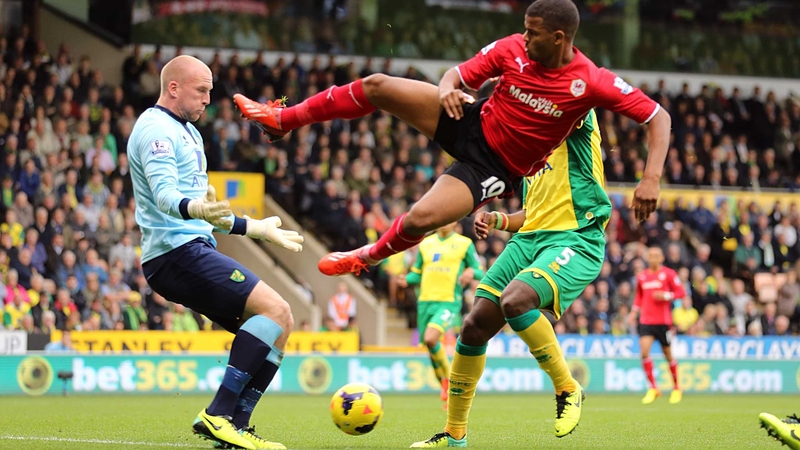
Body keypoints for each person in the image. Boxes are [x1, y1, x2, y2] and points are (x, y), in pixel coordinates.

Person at [234, 0, 669, 278]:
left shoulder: (590, 81)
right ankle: (282, 120)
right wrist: (447, 88)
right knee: (379, 85)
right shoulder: (513, 49)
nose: (524, 36)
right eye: (524, 28)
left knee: (423, 217)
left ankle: (365, 258)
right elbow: (457, 75)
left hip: (494, 167)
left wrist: (650, 179)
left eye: (533, 32)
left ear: (558, 38)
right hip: (469, 119)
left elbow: (658, 117)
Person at [128, 55, 304, 450]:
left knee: (282, 322)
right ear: (173, 88)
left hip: (191, 246)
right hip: (174, 254)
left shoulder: (188, 132)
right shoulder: (155, 129)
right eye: (202, 90)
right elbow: (166, 197)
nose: (209, 99)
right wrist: (198, 210)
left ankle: (234, 428)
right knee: (273, 309)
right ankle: (218, 414)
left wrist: (255, 228)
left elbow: (208, 210)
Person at [412, 108, 605, 448]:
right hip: (530, 239)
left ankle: (567, 387)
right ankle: (455, 434)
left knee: (516, 301)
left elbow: (565, 99)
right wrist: (500, 220)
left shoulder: (575, 111)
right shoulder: (532, 153)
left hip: (576, 236)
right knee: (474, 326)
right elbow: (533, 215)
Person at [398, 221, 484, 409]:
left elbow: (479, 270)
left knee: (431, 338)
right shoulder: (426, 244)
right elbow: (417, 273)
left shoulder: (464, 244)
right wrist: (406, 279)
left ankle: (450, 382)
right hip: (425, 303)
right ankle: (445, 388)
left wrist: (471, 271)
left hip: (448, 301)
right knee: (431, 345)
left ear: (456, 221)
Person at [627, 247, 686, 405]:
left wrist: (667, 295)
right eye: (650, 256)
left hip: (663, 321)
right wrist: (633, 313)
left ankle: (676, 388)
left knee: (668, 355)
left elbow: (681, 292)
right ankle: (653, 388)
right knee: (644, 352)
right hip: (646, 321)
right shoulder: (642, 276)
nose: (653, 258)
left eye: (656, 256)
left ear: (661, 258)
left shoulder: (669, 274)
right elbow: (639, 297)